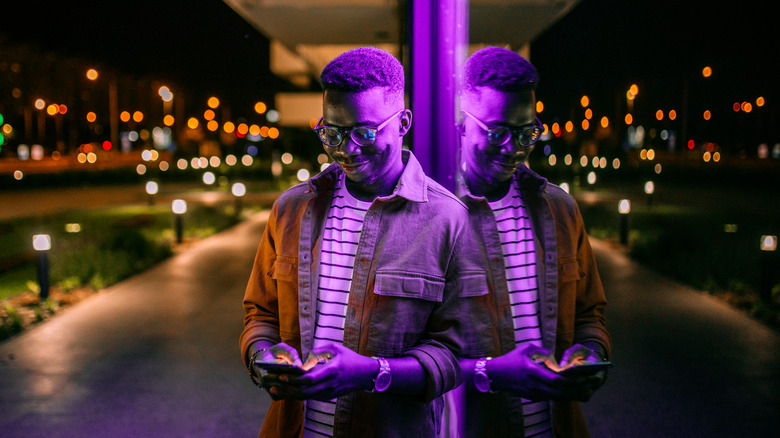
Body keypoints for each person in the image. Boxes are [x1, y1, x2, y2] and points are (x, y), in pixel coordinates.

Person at [239, 47, 475, 438]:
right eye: (331, 132)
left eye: (364, 133)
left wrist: (373, 374)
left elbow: (456, 351)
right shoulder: (290, 209)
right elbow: (260, 314)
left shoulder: (450, 221)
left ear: (402, 123)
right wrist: (263, 356)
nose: (346, 149)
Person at [455, 46, 612, 438]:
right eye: (497, 132)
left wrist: (591, 353)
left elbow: (589, 314)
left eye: (527, 132)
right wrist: (489, 373)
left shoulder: (559, 209)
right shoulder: (425, 216)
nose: (514, 149)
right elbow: (393, 356)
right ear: (460, 123)